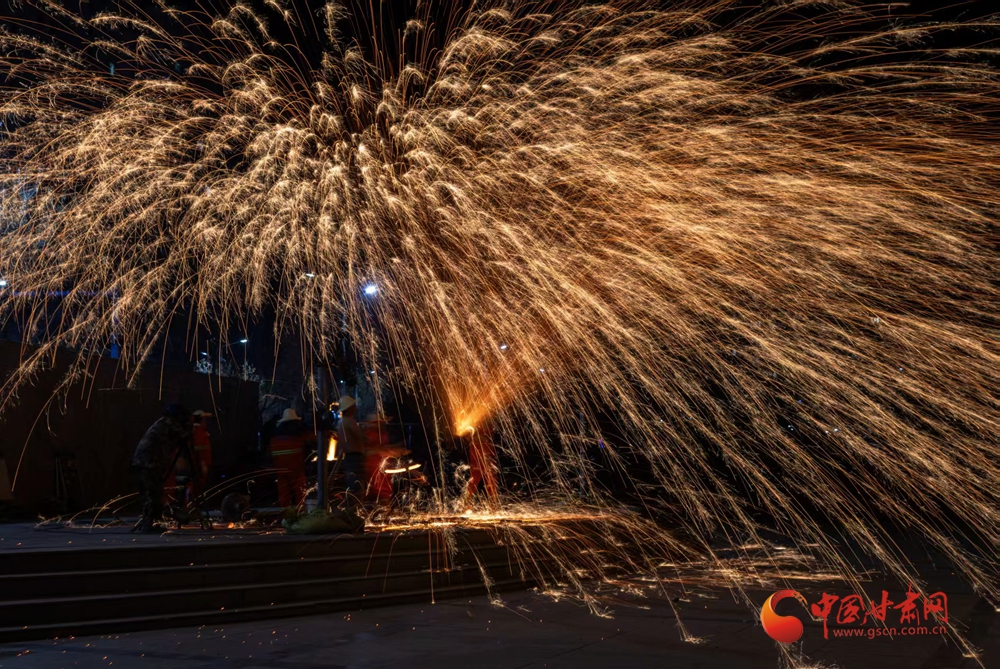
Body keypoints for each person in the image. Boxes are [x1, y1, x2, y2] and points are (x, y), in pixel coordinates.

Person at [132, 404, 192, 533]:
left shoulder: (163, 423)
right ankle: (151, 524)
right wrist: (188, 427)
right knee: (153, 494)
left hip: (146, 462)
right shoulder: (169, 423)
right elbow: (184, 436)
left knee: (151, 494)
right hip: (149, 463)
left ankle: (150, 522)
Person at [269, 408, 309, 508]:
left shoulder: (275, 439)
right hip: (296, 470)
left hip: (281, 471)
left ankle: (285, 513)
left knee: (284, 494)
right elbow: (305, 451)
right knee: (300, 493)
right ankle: (300, 512)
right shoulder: (298, 438)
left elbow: (272, 456)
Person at [336, 396, 368, 510]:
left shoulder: (341, 422)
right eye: (354, 406)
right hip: (355, 457)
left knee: (353, 483)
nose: (356, 408)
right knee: (357, 484)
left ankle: (352, 508)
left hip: (349, 457)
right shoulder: (349, 421)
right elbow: (361, 436)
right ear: (349, 408)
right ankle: (354, 509)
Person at [463, 425, 499, 509]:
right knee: (488, 477)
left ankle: (467, 504)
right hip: (483, 447)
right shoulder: (481, 429)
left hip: (482, 446)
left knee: (481, 477)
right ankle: (493, 504)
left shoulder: (478, 437)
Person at [191, 410, 213, 501]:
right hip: (199, 466)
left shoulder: (198, 431)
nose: (206, 422)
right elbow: (198, 448)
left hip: (200, 465)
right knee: (197, 487)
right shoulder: (198, 431)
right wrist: (202, 463)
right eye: (205, 419)